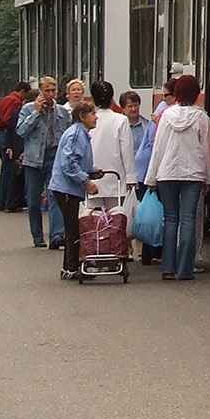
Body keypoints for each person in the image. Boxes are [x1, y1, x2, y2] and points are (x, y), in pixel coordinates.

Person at [143, 75, 210, 281]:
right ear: (196, 93)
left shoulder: (166, 116)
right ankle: (185, 269)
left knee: (170, 220)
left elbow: (158, 148)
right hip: (193, 175)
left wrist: (151, 178)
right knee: (188, 220)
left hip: (167, 173)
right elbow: (208, 151)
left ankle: (168, 268)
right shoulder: (202, 118)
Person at [15, 76, 71, 248]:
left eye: (53, 91)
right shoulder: (28, 109)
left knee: (55, 195)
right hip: (34, 159)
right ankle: (37, 235)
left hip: (54, 156)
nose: (50, 94)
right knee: (33, 199)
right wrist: (36, 113)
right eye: (47, 91)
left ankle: (56, 234)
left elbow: (67, 134)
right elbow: (21, 131)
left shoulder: (62, 112)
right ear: (40, 91)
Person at [49, 102, 100, 280]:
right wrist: (85, 181)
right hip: (66, 188)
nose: (96, 117)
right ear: (81, 116)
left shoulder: (80, 134)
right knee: (73, 228)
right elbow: (69, 163)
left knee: (73, 227)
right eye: (92, 113)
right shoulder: (77, 133)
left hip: (66, 187)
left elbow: (78, 161)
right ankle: (72, 266)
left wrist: (92, 171)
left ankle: (70, 265)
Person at [131, 79, 175, 265]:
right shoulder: (164, 110)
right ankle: (154, 252)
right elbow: (154, 142)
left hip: (146, 164)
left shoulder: (162, 110)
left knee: (152, 209)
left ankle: (148, 253)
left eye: (166, 94)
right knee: (159, 211)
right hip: (151, 165)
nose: (163, 98)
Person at [87, 81, 135, 210]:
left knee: (93, 222)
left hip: (92, 178)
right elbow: (127, 151)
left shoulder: (88, 119)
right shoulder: (121, 120)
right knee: (115, 221)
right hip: (116, 178)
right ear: (112, 99)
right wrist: (131, 178)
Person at [0, 81, 31, 212]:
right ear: (22, 92)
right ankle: (6, 201)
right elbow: (9, 119)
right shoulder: (15, 102)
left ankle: (2, 200)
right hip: (7, 135)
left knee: (5, 169)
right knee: (11, 170)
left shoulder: (5, 99)